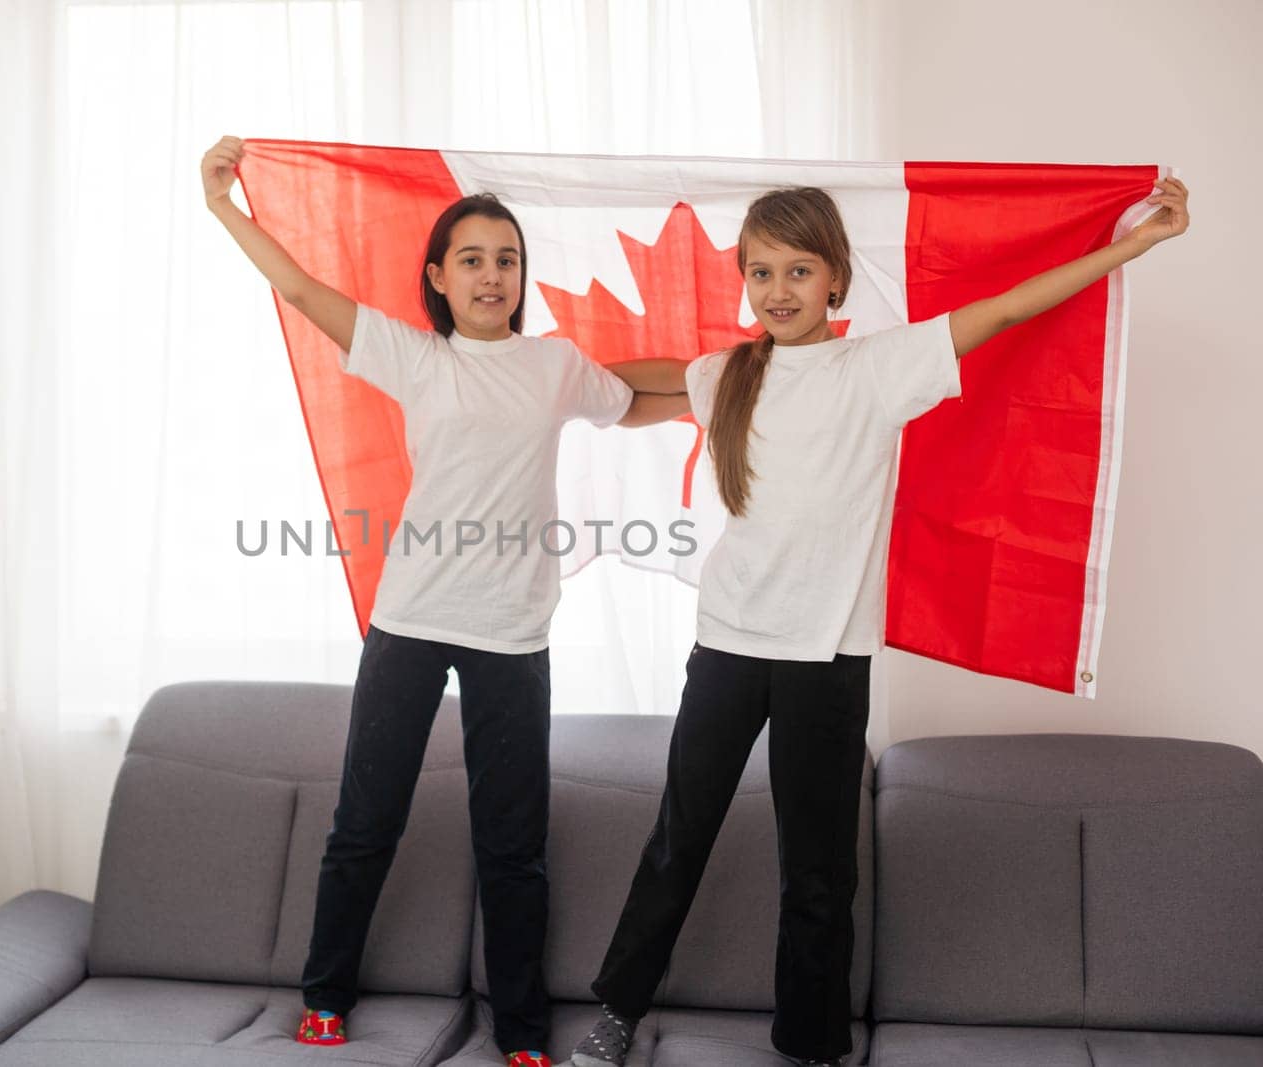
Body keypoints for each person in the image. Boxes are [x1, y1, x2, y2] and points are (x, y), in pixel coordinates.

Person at [569, 177, 1190, 1067]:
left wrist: (1136, 244)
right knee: (681, 835)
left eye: (797, 269)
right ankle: (619, 1008)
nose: (777, 289)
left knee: (818, 870)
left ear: (835, 280)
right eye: (759, 272)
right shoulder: (729, 375)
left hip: (827, 658)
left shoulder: (880, 367)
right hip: (728, 648)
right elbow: (636, 388)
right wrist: (541, 379)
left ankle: (812, 1043)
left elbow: (1009, 307)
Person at [202, 135, 684, 1067]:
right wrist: (225, 206)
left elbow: (637, 396)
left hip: (512, 634)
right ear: (440, 276)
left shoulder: (552, 366)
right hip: (411, 623)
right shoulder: (414, 356)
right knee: (365, 820)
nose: (492, 273)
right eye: (473, 258)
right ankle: (324, 997)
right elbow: (302, 292)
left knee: (514, 846)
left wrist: (736, 378)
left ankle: (521, 1033)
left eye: (507, 259)